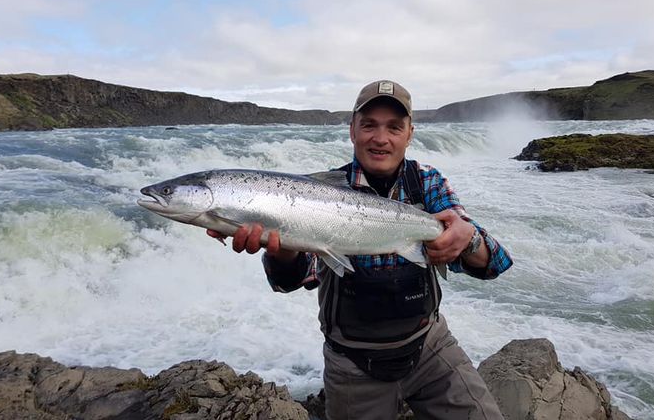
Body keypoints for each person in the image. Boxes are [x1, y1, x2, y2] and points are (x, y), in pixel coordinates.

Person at [207, 80, 512, 420]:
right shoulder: (317, 193)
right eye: (369, 125)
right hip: (352, 365)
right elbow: (291, 281)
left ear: (410, 133)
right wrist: (283, 252)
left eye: (394, 127)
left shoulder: (427, 183)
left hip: (431, 348)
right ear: (352, 130)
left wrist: (467, 237)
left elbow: (493, 262)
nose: (380, 138)